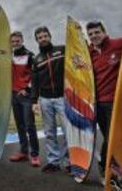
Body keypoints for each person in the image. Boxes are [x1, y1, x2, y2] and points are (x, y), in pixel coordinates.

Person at [86, 21, 122, 182]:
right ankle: (107, 168)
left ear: (104, 31)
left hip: (118, 101)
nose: (94, 36)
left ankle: (112, 167)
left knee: (115, 137)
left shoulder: (118, 44)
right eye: (91, 34)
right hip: (100, 103)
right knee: (109, 137)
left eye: (97, 32)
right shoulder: (89, 53)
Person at [31, 26, 70, 173]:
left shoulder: (62, 50)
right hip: (45, 100)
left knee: (68, 130)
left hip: (63, 98)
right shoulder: (36, 59)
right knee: (49, 132)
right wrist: (34, 101)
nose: (43, 39)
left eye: (45, 36)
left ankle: (69, 162)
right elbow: (34, 82)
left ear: (50, 36)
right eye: (40, 37)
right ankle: (53, 162)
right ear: (37, 40)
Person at [9, 31, 40, 167]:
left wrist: (27, 90)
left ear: (22, 40)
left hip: (26, 96)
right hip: (13, 95)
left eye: (17, 41)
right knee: (20, 125)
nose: (15, 43)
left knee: (29, 126)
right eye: (13, 41)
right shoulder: (9, 56)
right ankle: (23, 152)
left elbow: (36, 76)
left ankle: (35, 155)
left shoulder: (30, 55)